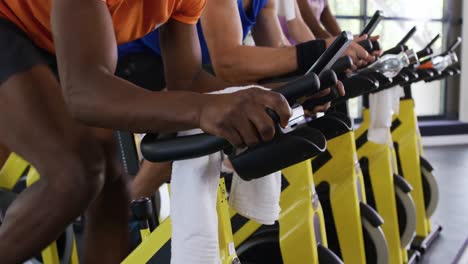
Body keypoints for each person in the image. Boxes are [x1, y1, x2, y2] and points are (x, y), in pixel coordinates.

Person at [0, 0, 295, 262]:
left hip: (48, 40)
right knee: (76, 172)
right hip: (12, 27)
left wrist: (284, 96)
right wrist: (202, 109)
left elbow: (188, 79)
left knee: (112, 186)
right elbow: (85, 94)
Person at [119, 0, 376, 201]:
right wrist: (317, 49)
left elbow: (277, 50)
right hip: (132, 68)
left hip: (186, 72)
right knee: (191, 120)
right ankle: (130, 211)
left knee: (223, 106)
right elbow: (229, 62)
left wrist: (298, 89)